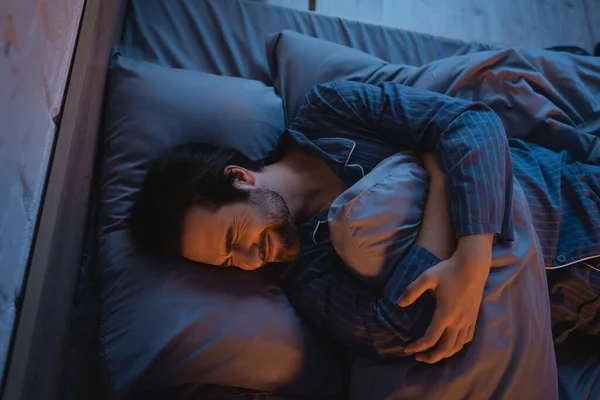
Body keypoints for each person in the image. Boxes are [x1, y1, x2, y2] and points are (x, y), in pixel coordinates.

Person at [130, 81, 600, 364]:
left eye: (236, 237)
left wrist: (472, 259)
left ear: (239, 178)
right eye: (230, 262)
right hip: (573, 309)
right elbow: (401, 328)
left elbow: (472, 124)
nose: (252, 261)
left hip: (569, 202)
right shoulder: (306, 275)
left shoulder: (328, 112)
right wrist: (436, 173)